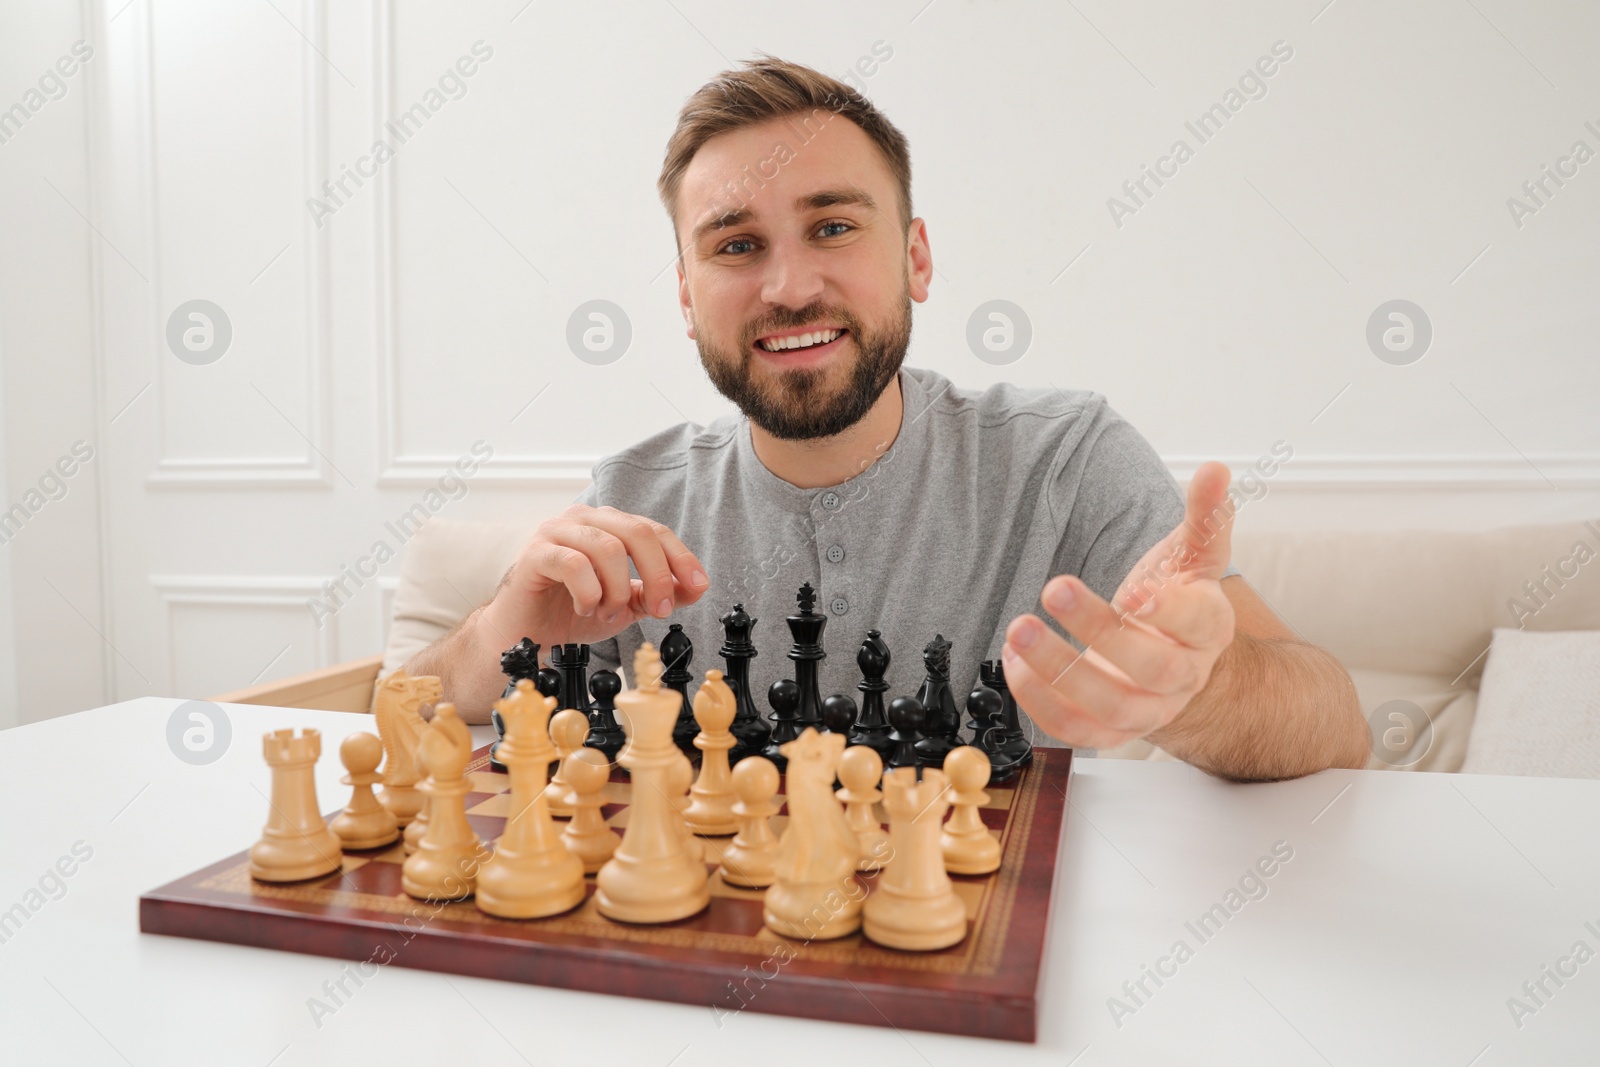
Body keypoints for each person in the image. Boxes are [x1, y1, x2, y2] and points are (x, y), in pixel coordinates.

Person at [407, 55, 1368, 782]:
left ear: (915, 258)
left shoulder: (1065, 462)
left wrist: (1203, 690)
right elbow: (397, 717)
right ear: (688, 297)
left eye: (833, 227)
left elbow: (1340, 731)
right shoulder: (630, 496)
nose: (790, 285)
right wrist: (501, 630)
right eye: (737, 245)